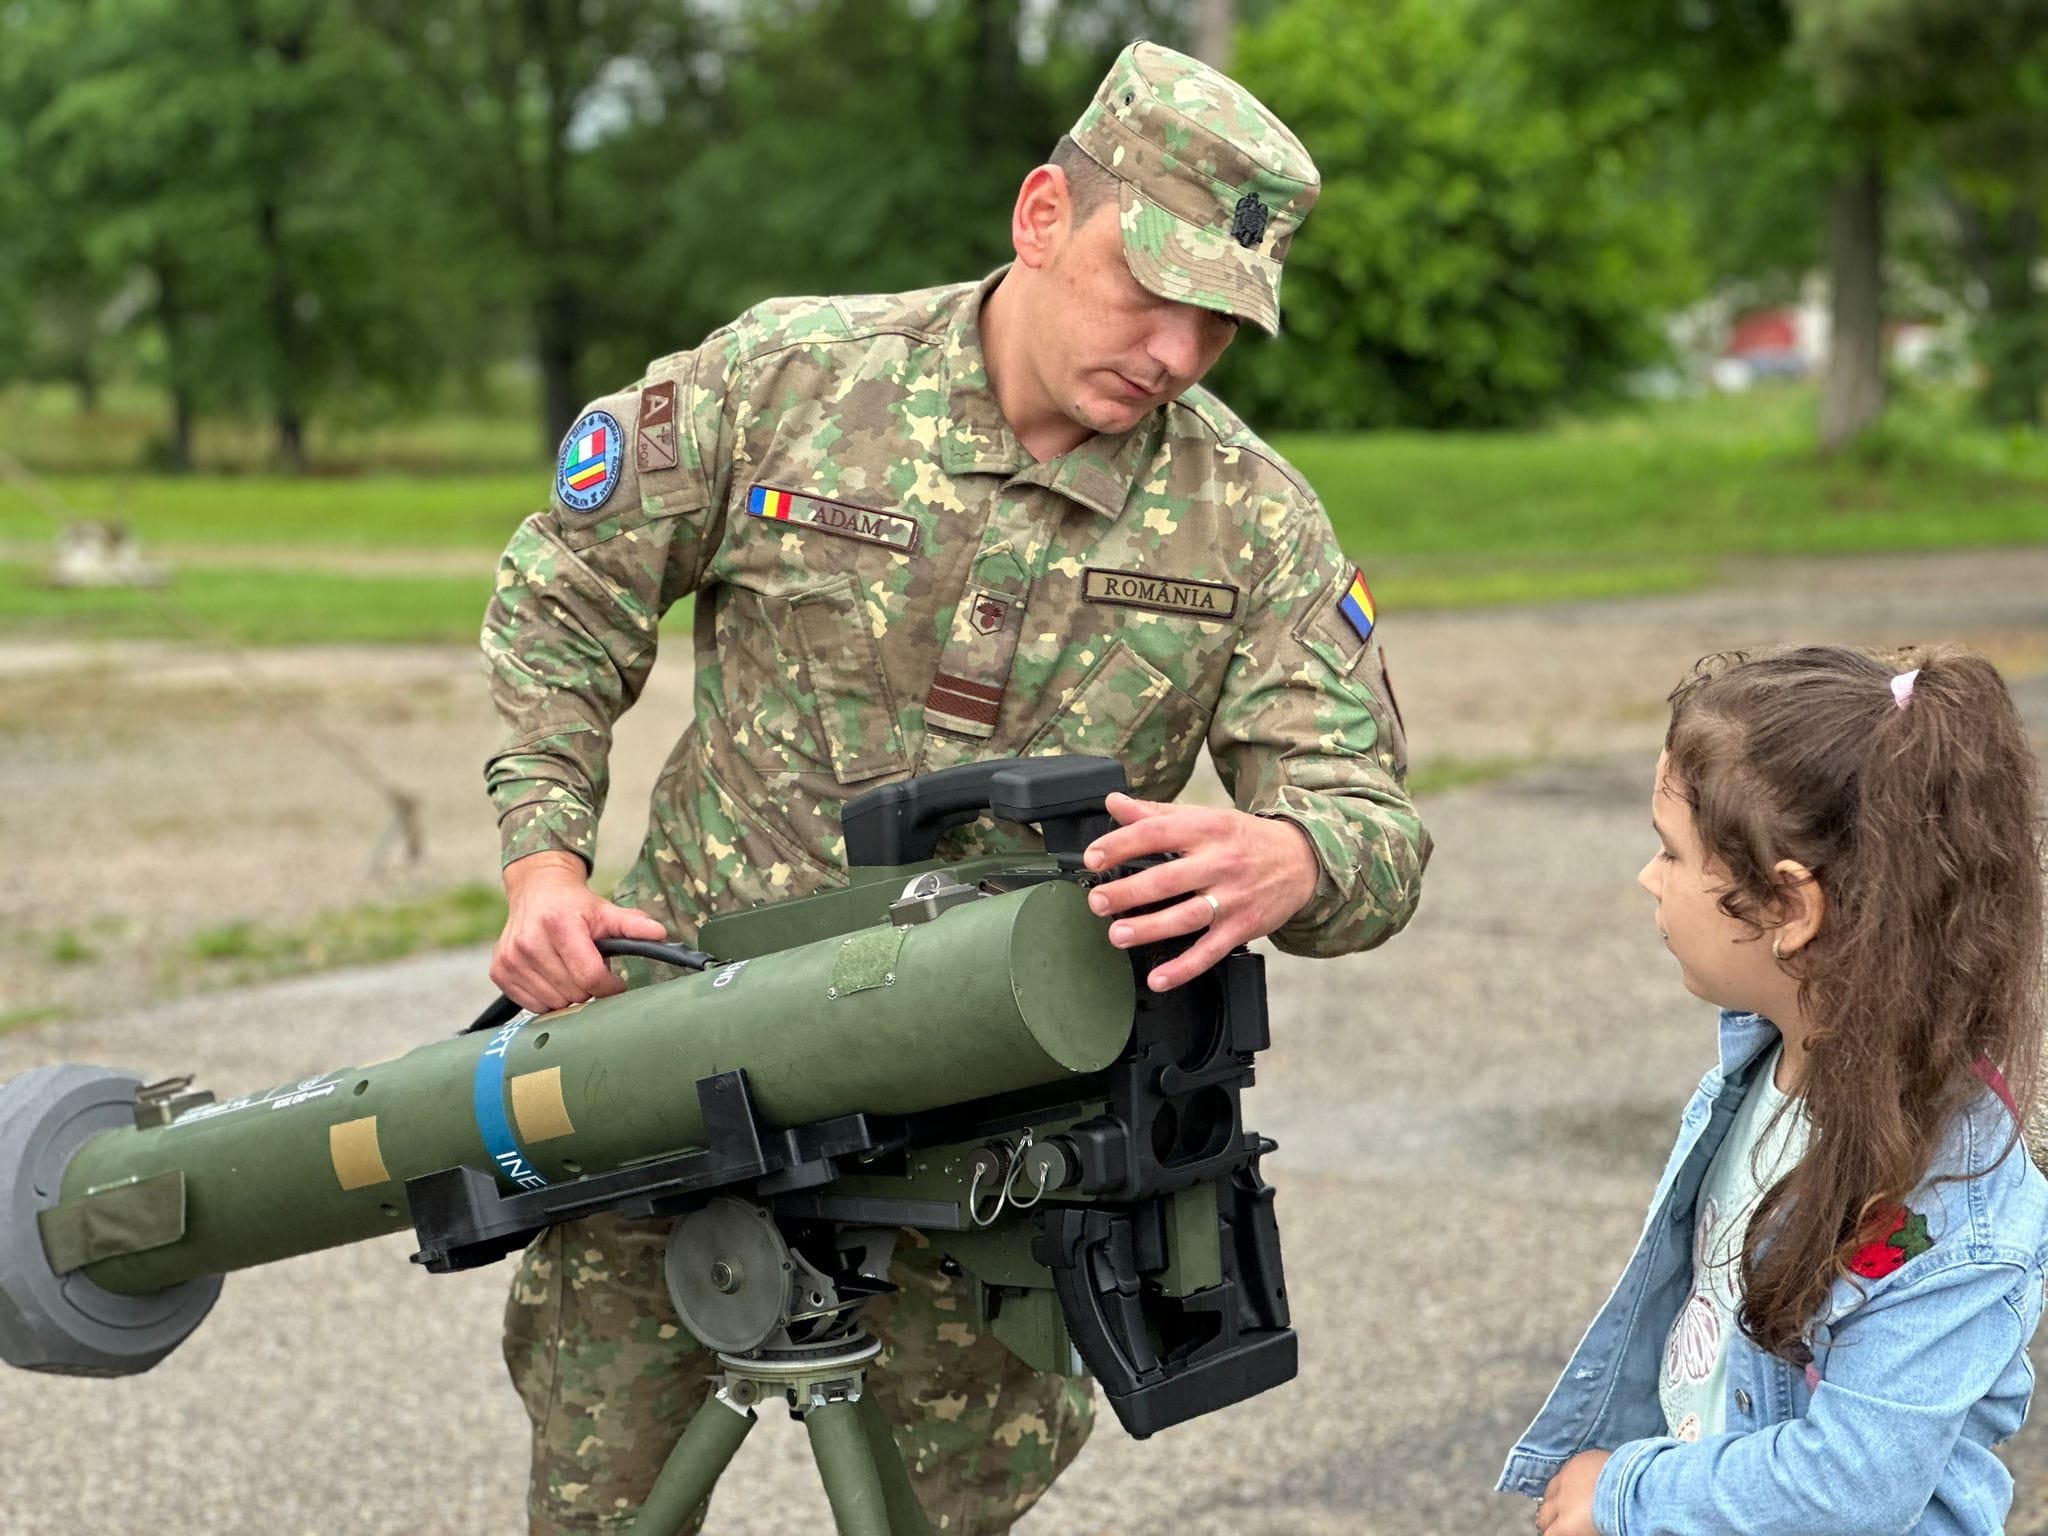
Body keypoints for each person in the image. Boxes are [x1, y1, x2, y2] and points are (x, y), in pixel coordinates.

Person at [479, 40, 1430, 1536]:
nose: (1177, 353)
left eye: (1219, 324)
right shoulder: (791, 381)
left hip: (987, 1141)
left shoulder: (1252, 525)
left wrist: (1294, 858)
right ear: (1042, 214)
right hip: (678, 1060)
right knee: (603, 1504)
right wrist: (546, 865)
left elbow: (1370, 822)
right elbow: (564, 595)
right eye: (1150, 290)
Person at [1501, 644, 2048, 1535]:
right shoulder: (1766, 1064)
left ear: (1791, 908)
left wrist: (1630, 1493)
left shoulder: (1946, 1201)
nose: (1648, 877)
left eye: (1670, 852)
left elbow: (1849, 1485)